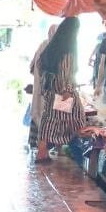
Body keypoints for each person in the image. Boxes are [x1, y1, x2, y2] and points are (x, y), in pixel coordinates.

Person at [34, 18, 84, 162]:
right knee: (77, 119)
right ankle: (81, 153)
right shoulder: (68, 50)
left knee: (50, 120)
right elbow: (66, 72)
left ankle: (42, 152)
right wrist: (66, 90)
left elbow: (39, 65)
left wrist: (48, 84)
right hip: (63, 92)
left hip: (51, 89)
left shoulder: (52, 47)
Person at [27, 24, 58, 150]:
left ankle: (37, 145)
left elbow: (31, 67)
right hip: (55, 91)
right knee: (54, 117)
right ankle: (51, 147)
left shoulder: (42, 45)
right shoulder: (61, 47)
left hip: (39, 91)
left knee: (38, 114)